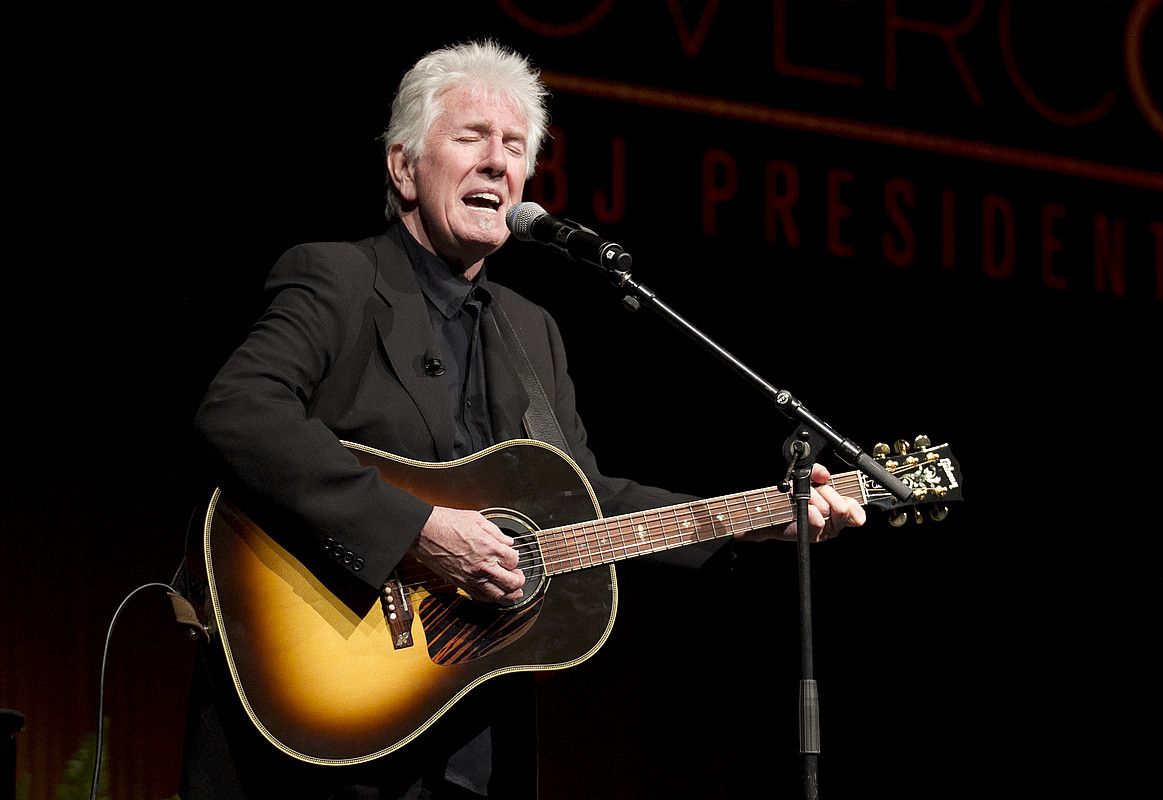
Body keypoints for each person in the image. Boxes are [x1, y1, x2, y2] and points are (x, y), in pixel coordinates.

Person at [177, 39, 864, 800]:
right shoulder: (339, 280)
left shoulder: (531, 330)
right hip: (321, 739)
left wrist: (759, 518)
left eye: (514, 147)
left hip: (474, 753)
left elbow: (587, 506)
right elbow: (238, 412)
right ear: (403, 167)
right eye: (471, 136)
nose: (497, 162)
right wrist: (418, 531)